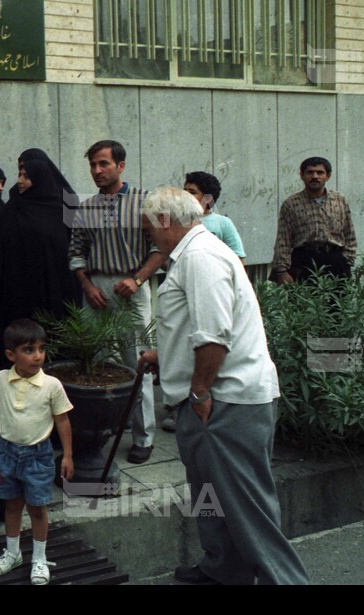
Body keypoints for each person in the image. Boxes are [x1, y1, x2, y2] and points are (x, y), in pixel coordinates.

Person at [139, 187, 309, 585]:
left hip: (224, 402)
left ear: (165, 220)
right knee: (210, 496)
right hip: (217, 398)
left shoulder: (199, 257)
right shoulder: (195, 255)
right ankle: (223, 569)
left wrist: (199, 392)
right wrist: (165, 358)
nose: (147, 234)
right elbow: (201, 329)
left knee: (247, 507)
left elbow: (214, 336)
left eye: (149, 226)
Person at [68, 140, 164, 464]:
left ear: (121, 166)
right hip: (96, 288)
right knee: (96, 362)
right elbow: (76, 253)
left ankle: (143, 436)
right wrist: (87, 284)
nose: (97, 170)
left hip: (132, 286)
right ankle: (103, 430)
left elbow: (160, 249)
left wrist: (137, 279)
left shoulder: (145, 201)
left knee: (137, 360)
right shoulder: (86, 206)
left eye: (103, 164)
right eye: (93, 165)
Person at [0, 319, 73, 586]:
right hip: (6, 453)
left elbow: (62, 420)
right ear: (11, 355)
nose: (37, 356)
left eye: (41, 349)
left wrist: (69, 455)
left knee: (37, 508)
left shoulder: (51, 385)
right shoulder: (1, 380)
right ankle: (13, 553)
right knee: (12, 505)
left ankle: (39, 557)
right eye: (29, 350)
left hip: (38, 456)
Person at [0, 159, 78, 338]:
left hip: (52, 287)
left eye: (27, 176)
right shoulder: (13, 207)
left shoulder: (58, 208)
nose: (20, 181)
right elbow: (0, 246)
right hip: (18, 288)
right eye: (19, 175)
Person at [272, 156, 356, 283]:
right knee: (304, 302)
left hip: (336, 261)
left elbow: (349, 233)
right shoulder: (291, 204)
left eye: (320, 172)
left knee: (338, 302)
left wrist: (347, 261)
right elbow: (283, 240)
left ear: (328, 176)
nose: (315, 176)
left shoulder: (339, 200)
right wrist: (282, 271)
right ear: (302, 175)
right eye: (310, 172)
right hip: (303, 262)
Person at [184, 171, 246, 262]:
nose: (185, 195)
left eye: (192, 192)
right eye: (184, 191)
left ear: (208, 199)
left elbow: (238, 258)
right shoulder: (175, 220)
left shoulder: (223, 223)